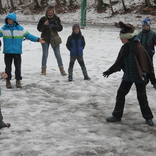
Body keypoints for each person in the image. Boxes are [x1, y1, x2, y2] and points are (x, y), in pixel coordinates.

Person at [103, 21, 154, 126]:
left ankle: (148, 118)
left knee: (142, 98)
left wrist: (144, 74)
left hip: (139, 77)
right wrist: (110, 71)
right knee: (120, 94)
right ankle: (117, 115)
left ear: (128, 37)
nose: (121, 39)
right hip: (127, 77)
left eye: (122, 37)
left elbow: (146, 63)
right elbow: (119, 61)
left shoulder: (138, 48)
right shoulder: (125, 47)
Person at [0, 13, 45, 89]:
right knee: (8, 67)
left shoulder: (20, 29)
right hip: (7, 52)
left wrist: (37, 39)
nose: (8, 21)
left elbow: (29, 36)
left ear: (14, 20)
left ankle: (18, 80)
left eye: (10, 19)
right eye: (7, 19)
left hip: (17, 52)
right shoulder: (3, 29)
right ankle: (8, 81)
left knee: (18, 67)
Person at [37, 5, 66, 76]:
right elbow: (39, 29)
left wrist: (54, 25)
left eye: (51, 10)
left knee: (58, 54)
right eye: (49, 10)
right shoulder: (43, 19)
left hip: (54, 38)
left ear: (53, 11)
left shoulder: (56, 18)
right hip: (45, 38)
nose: (50, 12)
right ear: (46, 11)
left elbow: (60, 28)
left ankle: (62, 70)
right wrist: (44, 24)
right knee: (45, 54)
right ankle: (43, 70)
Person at [137, 18, 156, 89]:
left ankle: (154, 82)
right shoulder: (140, 34)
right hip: (141, 54)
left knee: (150, 67)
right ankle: (144, 80)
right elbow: (136, 43)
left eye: (146, 25)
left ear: (149, 26)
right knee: (142, 67)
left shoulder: (153, 34)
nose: (144, 27)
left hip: (149, 53)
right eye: (143, 26)